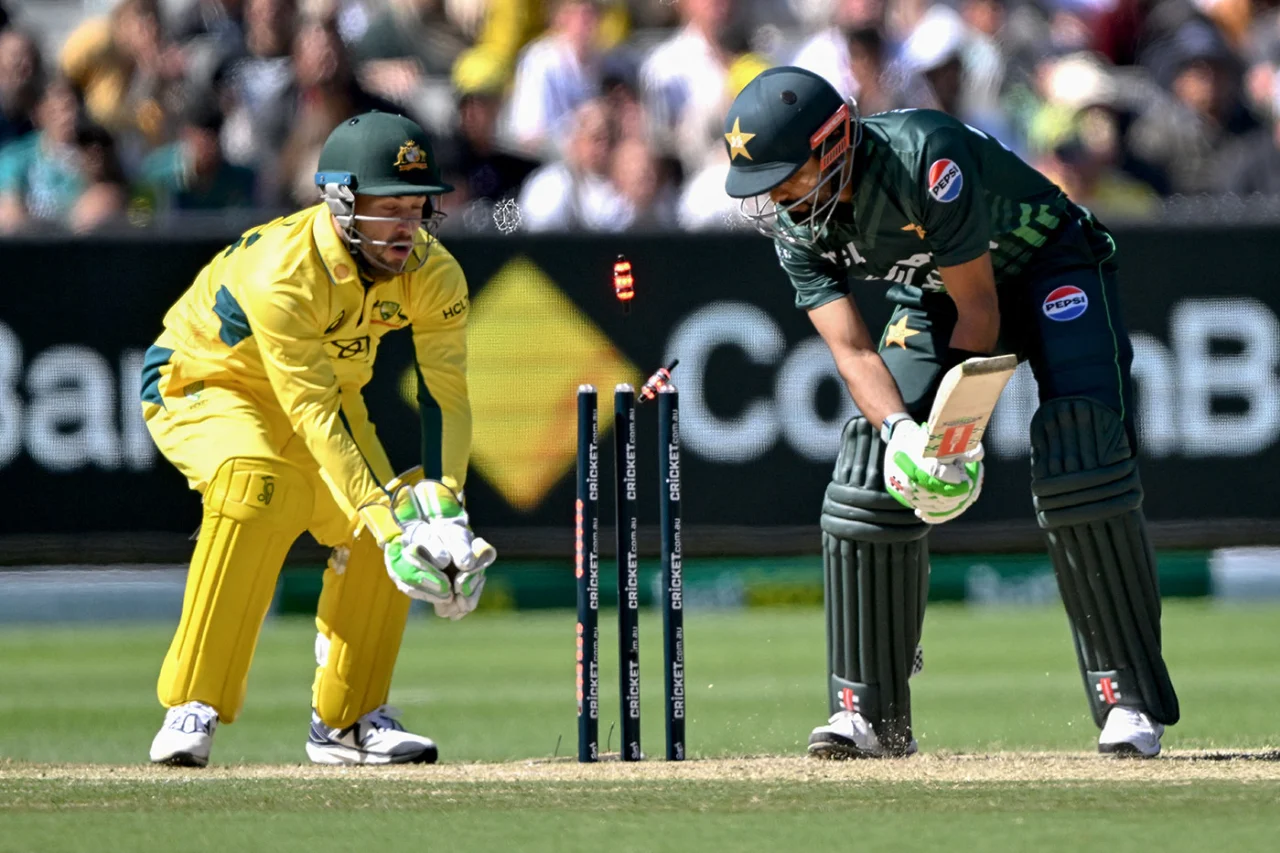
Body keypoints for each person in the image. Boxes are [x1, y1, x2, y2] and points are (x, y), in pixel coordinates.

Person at [721, 67, 1180, 759]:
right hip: (934, 296)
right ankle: (869, 714)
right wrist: (905, 434)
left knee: (1078, 453)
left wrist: (954, 436)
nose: (779, 198)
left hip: (1048, 266)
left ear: (836, 140)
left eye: (788, 176)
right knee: (870, 470)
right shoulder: (797, 230)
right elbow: (850, 351)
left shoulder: (921, 157)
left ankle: (1130, 702)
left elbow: (983, 309)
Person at [140, 110, 496, 767]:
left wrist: (445, 508)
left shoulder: (433, 271)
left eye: (417, 208)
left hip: (326, 396)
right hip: (205, 383)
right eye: (388, 208)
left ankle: (348, 721)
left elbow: (446, 394)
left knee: (397, 511)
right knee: (257, 482)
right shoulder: (284, 272)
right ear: (339, 202)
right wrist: (396, 534)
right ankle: (194, 703)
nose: (407, 228)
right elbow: (309, 414)